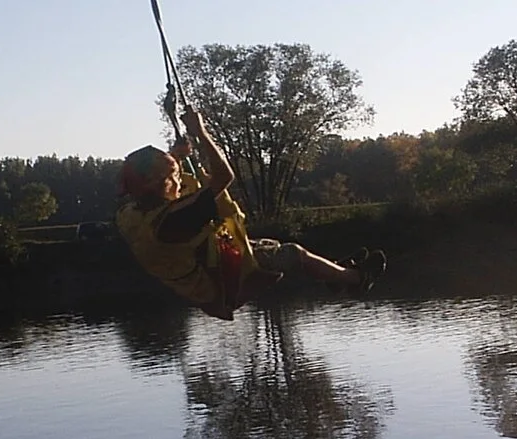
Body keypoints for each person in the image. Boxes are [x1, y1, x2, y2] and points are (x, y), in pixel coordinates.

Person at [115, 107, 386, 321]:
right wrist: (201, 132)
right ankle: (357, 279)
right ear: (160, 183)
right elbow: (224, 177)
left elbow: (160, 186)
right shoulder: (174, 220)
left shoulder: (132, 212)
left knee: (276, 248)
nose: (177, 180)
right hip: (222, 284)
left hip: (210, 263)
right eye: (172, 176)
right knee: (292, 254)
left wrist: (177, 154)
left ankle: (335, 276)